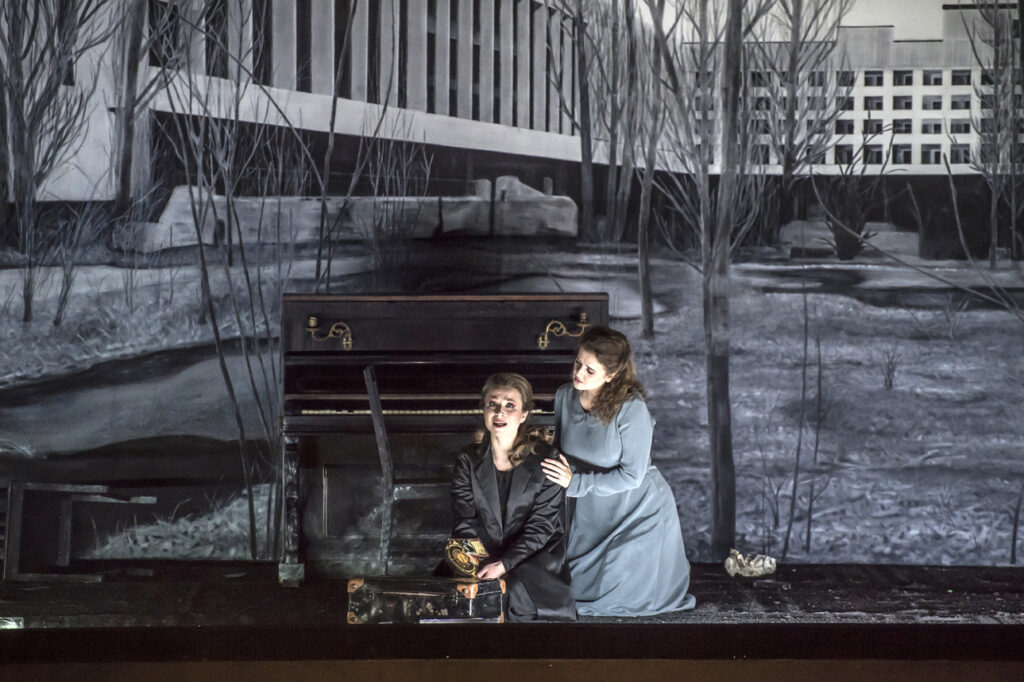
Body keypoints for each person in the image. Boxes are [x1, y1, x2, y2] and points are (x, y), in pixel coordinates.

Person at [541, 326, 696, 617]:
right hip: (591, 510)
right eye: (577, 363)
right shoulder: (564, 395)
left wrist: (575, 484)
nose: (579, 373)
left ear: (611, 375)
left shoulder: (631, 408)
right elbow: (561, 452)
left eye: (590, 370)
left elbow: (632, 476)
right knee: (573, 594)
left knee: (612, 601)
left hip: (637, 509)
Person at [448, 372, 576, 622]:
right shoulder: (468, 460)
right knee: (463, 598)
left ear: (524, 415)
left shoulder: (546, 458)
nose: (500, 412)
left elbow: (540, 528)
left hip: (532, 556)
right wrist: (477, 566)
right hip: (483, 552)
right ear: (484, 409)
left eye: (510, 406)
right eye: (493, 404)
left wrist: (504, 565)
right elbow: (464, 522)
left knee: (513, 595)